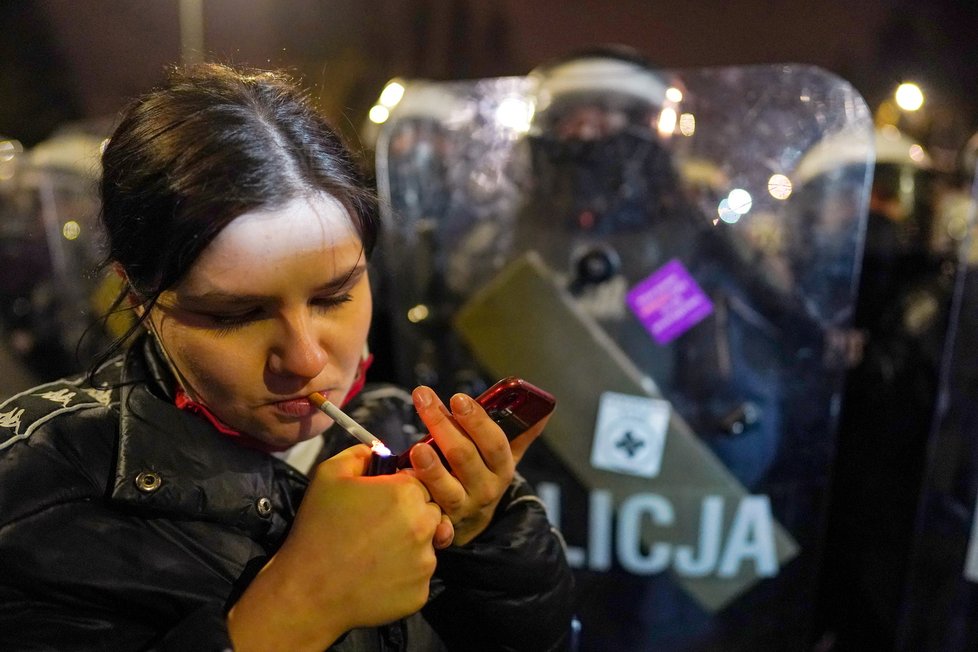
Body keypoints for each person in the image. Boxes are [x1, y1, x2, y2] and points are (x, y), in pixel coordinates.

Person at [0, 63, 574, 651]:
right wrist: (295, 608)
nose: (303, 359)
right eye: (234, 315)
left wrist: (487, 544)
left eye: (335, 296)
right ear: (141, 297)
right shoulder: (40, 485)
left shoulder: (399, 431)